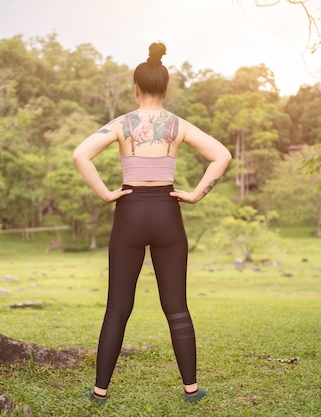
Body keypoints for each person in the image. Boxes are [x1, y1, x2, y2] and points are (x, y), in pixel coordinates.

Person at [73, 42, 231, 404]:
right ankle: (191, 390)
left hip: (129, 211)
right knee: (176, 306)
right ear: (166, 89)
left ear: (136, 89)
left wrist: (106, 194)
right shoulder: (177, 125)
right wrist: (194, 195)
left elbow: (80, 154)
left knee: (117, 306)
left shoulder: (122, 124)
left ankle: (100, 392)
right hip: (167, 212)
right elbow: (222, 155)